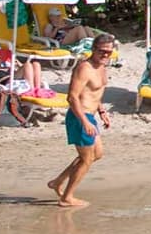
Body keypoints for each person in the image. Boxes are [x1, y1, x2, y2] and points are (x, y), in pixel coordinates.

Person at [48, 33, 115, 208]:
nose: (105, 55)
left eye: (109, 52)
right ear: (93, 49)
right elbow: (72, 97)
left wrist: (101, 110)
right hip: (79, 117)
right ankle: (66, 198)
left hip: (90, 116)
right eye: (102, 51)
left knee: (96, 155)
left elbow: (94, 92)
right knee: (86, 159)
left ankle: (58, 182)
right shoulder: (84, 68)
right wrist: (85, 121)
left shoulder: (102, 66)